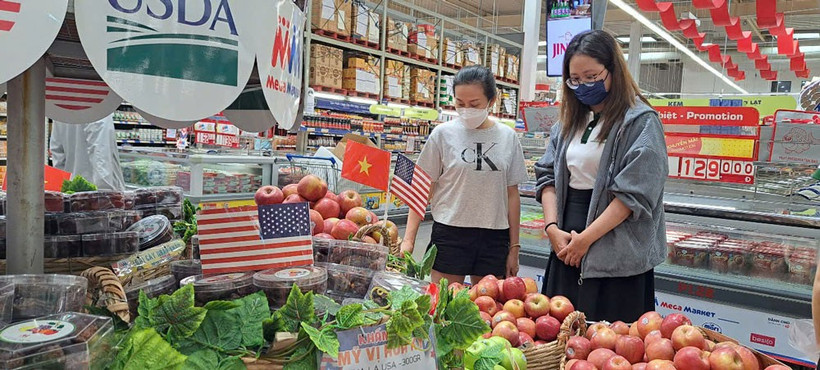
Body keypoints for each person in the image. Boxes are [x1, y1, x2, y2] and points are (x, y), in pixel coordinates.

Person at [534, 30, 668, 323]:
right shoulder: (569, 121)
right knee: (561, 331)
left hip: (616, 243)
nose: (583, 85)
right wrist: (552, 228)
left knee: (612, 341)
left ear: (613, 71)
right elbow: (547, 176)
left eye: (591, 76)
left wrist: (586, 240)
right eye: (575, 79)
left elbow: (633, 194)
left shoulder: (641, 122)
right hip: (566, 237)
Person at [400, 65, 529, 284]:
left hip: (494, 236)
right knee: (443, 307)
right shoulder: (442, 134)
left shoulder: (508, 137)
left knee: (486, 311)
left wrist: (514, 248)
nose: (466, 109)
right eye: (460, 103)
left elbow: (511, 195)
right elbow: (423, 188)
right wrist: (408, 239)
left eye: (475, 104)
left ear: (492, 100)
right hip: (450, 233)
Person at [50, 114, 126, 191]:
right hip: (94, 191)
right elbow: (100, 153)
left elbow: (57, 153)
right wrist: (105, 195)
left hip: (72, 188)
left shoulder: (60, 111)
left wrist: (64, 187)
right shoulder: (100, 107)